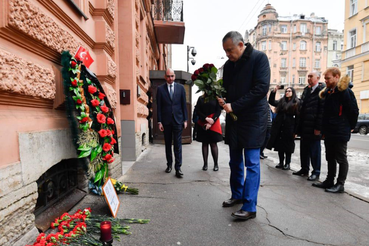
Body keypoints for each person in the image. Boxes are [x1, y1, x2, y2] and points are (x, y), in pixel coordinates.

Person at [217, 31, 270, 221]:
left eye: (230, 50)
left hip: (254, 119)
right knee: (234, 161)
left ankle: (249, 206)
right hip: (235, 119)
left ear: (241, 45)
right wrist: (222, 98)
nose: (227, 54)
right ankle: (237, 195)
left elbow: (261, 88)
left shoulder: (259, 58)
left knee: (252, 162)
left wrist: (234, 105)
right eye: (225, 51)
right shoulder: (229, 66)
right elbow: (228, 88)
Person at [312, 68, 359, 193]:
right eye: (325, 78)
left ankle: (340, 184)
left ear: (337, 77)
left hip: (340, 130)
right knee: (330, 157)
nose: (325, 80)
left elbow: (353, 111)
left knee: (341, 158)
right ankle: (329, 180)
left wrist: (350, 126)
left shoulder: (345, 92)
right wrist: (323, 130)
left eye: (328, 78)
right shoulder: (328, 92)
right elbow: (326, 114)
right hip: (330, 130)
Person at [157, 68, 188, 178]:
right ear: (165, 77)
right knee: (168, 144)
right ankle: (169, 165)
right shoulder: (160, 89)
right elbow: (159, 107)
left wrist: (185, 120)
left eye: (172, 76)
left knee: (178, 145)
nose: (170, 78)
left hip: (178, 120)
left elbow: (184, 104)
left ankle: (178, 168)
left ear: (174, 77)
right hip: (166, 121)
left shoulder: (181, 88)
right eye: (168, 76)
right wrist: (159, 121)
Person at [294, 71, 325, 181]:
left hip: (313, 127)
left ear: (318, 77)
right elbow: (301, 109)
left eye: (311, 76)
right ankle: (304, 169)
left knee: (314, 151)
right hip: (304, 126)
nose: (309, 78)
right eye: (308, 76)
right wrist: (298, 128)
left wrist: (318, 128)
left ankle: (316, 172)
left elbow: (321, 111)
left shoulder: (321, 91)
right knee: (304, 149)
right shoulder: (307, 90)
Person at [267, 86, 300, 170]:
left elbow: (298, 118)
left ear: (293, 93)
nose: (287, 92)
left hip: (289, 127)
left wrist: (296, 131)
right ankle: (281, 162)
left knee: (288, 147)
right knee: (279, 145)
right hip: (280, 126)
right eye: (286, 91)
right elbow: (271, 101)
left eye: (289, 91)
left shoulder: (296, 103)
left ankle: (287, 163)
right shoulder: (282, 101)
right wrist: (274, 91)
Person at [193, 95, 223, 171]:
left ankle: (216, 164)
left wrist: (212, 121)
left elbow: (218, 110)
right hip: (203, 122)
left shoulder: (216, 98)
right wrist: (206, 118)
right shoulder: (201, 98)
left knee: (213, 144)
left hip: (213, 123)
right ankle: (205, 164)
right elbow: (197, 110)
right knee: (204, 143)